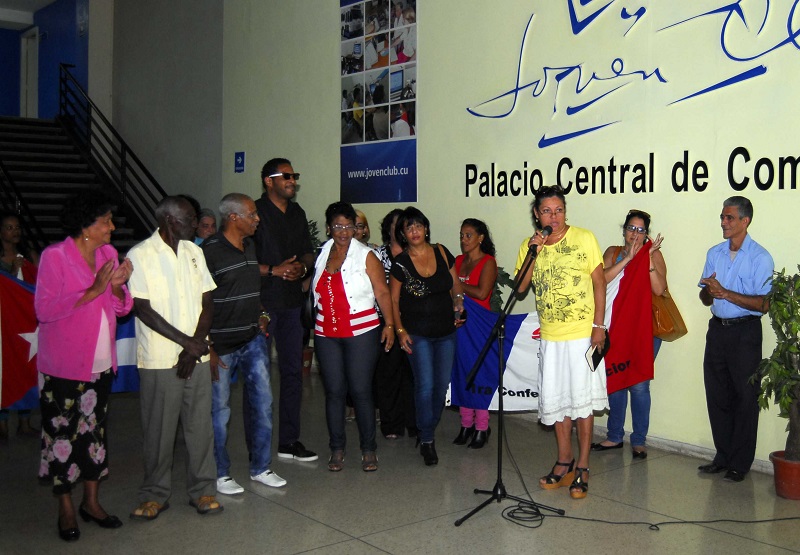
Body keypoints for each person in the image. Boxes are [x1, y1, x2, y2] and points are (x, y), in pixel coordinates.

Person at [35, 197, 133, 541]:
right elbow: (44, 310)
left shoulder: (108, 255)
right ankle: (65, 508)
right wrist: (92, 290)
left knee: (94, 435)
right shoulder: (55, 256)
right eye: (106, 221)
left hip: (100, 363)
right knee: (61, 438)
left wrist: (118, 286)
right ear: (87, 226)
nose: (112, 228)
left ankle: (91, 503)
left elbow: (122, 309)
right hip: (63, 366)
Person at [127, 196, 222, 520]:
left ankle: (203, 490)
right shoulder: (140, 255)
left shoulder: (195, 251)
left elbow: (207, 302)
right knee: (159, 430)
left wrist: (194, 345)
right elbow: (142, 308)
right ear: (169, 220)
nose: (196, 225)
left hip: (193, 355)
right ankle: (155, 494)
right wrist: (187, 344)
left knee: (200, 428)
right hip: (159, 359)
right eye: (190, 219)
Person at [515, 185, 607, 499]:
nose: (554, 216)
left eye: (559, 210)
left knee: (581, 402)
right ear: (536, 215)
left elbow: (599, 283)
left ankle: (583, 465)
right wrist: (534, 252)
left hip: (583, 334)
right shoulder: (530, 246)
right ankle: (564, 461)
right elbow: (519, 289)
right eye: (546, 211)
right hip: (552, 338)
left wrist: (599, 326)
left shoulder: (585, 238)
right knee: (558, 402)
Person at [202, 193, 285, 494]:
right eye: (252, 214)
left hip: (252, 339)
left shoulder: (249, 246)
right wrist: (207, 346)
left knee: (263, 404)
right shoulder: (209, 253)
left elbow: (251, 288)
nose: (257, 218)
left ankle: (261, 468)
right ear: (233, 218)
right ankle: (220, 472)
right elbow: (200, 302)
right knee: (219, 412)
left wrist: (262, 312)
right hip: (220, 345)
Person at [312, 202, 395, 472]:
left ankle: (368, 449)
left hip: (361, 331)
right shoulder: (323, 254)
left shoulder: (365, 256)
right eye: (338, 226)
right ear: (329, 228)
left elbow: (382, 293)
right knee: (334, 392)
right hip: (327, 332)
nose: (344, 231)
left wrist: (391, 325)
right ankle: (337, 448)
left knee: (360, 390)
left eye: (349, 226)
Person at [698, 196, 773, 483]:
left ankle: (740, 463)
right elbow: (705, 297)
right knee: (717, 395)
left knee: (744, 398)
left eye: (729, 218)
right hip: (717, 330)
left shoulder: (760, 257)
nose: (723, 222)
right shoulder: (714, 253)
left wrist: (725, 292)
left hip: (745, 334)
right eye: (722, 217)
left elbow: (764, 304)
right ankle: (723, 456)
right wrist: (710, 290)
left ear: (745, 221)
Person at [253, 158, 318, 462]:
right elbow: (240, 260)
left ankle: (289, 442)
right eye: (287, 176)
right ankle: (259, 446)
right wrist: (273, 271)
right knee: (259, 376)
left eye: (295, 175)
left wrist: (301, 267)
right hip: (263, 305)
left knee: (293, 373)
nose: (293, 180)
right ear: (269, 181)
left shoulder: (297, 213)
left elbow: (308, 250)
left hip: (292, 305)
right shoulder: (253, 213)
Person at [390, 207, 465, 466]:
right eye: (409, 228)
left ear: (426, 228)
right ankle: (427, 440)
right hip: (416, 334)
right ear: (403, 234)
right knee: (425, 385)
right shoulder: (400, 263)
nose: (414, 231)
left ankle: (426, 427)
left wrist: (458, 300)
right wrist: (399, 331)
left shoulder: (442, 252)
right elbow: (393, 299)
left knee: (441, 385)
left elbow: (455, 284)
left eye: (418, 226)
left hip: (446, 332)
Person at [591, 210, 667, 459]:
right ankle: (614, 436)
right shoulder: (612, 252)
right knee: (616, 380)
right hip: (616, 328)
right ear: (624, 230)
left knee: (638, 384)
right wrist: (627, 259)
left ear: (647, 234)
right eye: (631, 228)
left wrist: (647, 260)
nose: (635, 234)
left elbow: (659, 288)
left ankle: (639, 440)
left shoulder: (653, 254)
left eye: (641, 230)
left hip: (644, 329)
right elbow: (600, 281)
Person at [452, 218, 498, 449]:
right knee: (461, 373)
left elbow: (481, 293)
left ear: (481, 238)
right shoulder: (458, 261)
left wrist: (456, 286)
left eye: (468, 235)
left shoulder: (488, 262)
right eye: (461, 235)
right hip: (460, 325)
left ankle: (482, 426)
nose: (463, 240)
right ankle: (465, 424)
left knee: (478, 375)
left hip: (480, 326)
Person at [373, 209, 417, 440]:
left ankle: (414, 422)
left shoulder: (415, 253)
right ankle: (391, 424)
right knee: (388, 373)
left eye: (406, 225)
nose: (401, 229)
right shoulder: (378, 255)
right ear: (388, 229)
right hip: (386, 321)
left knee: (411, 374)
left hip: (412, 322)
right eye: (396, 225)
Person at [0, 211, 40, 439]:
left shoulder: (29, 255)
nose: (14, 232)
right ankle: (3, 422)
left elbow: (40, 285)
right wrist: (13, 272)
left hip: (25, 321)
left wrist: (23, 268)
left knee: (26, 365)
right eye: (8, 227)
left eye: (16, 227)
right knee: (5, 368)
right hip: (3, 323)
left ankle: (25, 421)